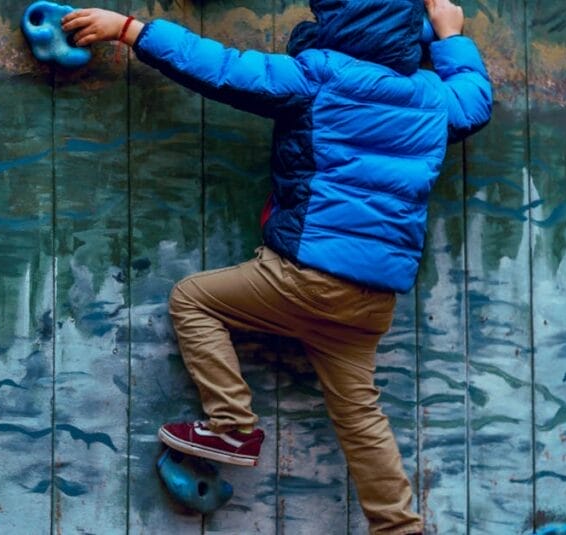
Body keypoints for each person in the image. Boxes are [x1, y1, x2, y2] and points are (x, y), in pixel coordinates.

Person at [63, 0, 491, 533]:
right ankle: (399, 527)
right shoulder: (432, 98)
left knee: (192, 300)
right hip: (373, 300)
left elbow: (218, 67)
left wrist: (130, 30)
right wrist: (450, 38)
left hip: (304, 277)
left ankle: (233, 425)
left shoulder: (319, 78)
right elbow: (474, 102)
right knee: (361, 420)